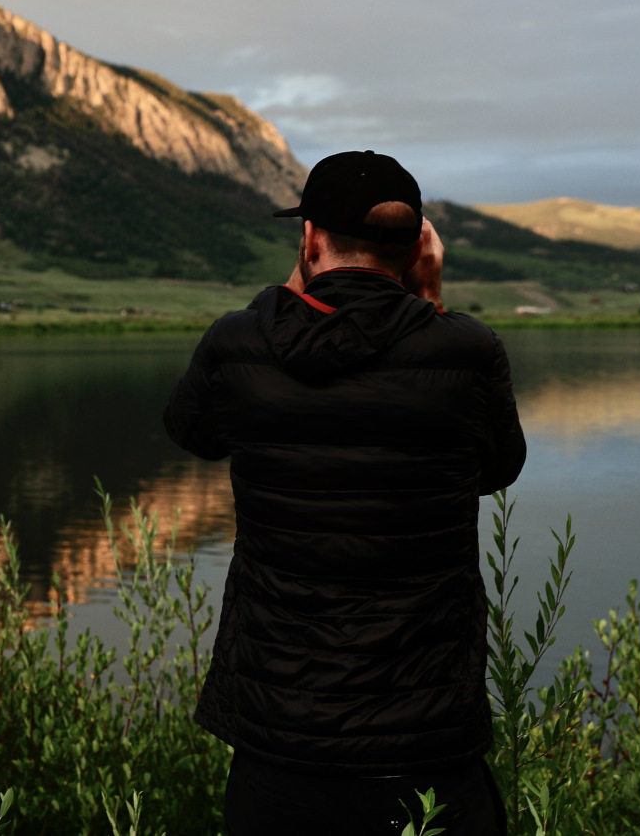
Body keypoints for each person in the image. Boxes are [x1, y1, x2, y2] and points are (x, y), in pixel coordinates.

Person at [163, 150, 527, 835]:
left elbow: (191, 430)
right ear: (419, 246)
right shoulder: (469, 350)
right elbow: (495, 469)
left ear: (308, 240)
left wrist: (284, 294)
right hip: (426, 739)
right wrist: (429, 303)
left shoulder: (238, 342)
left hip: (279, 740)